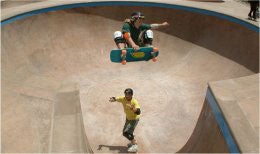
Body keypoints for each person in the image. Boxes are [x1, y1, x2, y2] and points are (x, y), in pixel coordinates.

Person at [109, 88, 141, 152]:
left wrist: (133, 108)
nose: (127, 95)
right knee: (124, 133)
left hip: (134, 119)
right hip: (128, 118)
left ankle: (135, 145)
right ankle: (133, 140)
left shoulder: (134, 102)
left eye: (128, 94)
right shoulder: (123, 99)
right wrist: (113, 99)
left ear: (132, 94)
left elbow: (138, 112)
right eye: (125, 94)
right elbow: (116, 98)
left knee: (127, 133)